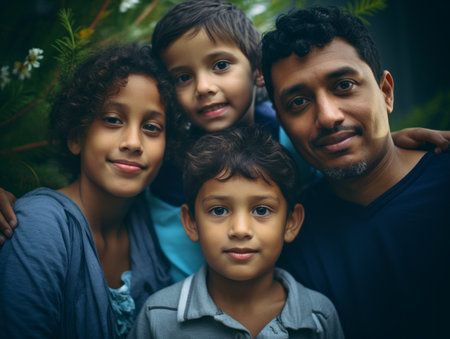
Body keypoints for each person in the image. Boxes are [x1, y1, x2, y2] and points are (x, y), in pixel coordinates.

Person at [0, 0, 448, 280]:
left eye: (219, 66)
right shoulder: (161, 152)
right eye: (182, 76)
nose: (205, 87)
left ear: (256, 74)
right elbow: (96, 188)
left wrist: (394, 141)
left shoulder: (292, 131)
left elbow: (342, 150)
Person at [261, 6, 450, 339]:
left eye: (344, 85)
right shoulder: (287, 237)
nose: (328, 116)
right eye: (299, 102)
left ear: (385, 92)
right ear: (281, 121)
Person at [0, 43, 182, 338]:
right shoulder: (40, 226)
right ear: (76, 137)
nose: (134, 142)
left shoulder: (147, 223)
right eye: (113, 120)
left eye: (151, 127)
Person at [129, 126, 345, 339]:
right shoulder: (158, 318)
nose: (240, 230)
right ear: (191, 223)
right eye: (219, 210)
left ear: (291, 223)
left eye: (261, 210)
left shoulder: (319, 319)